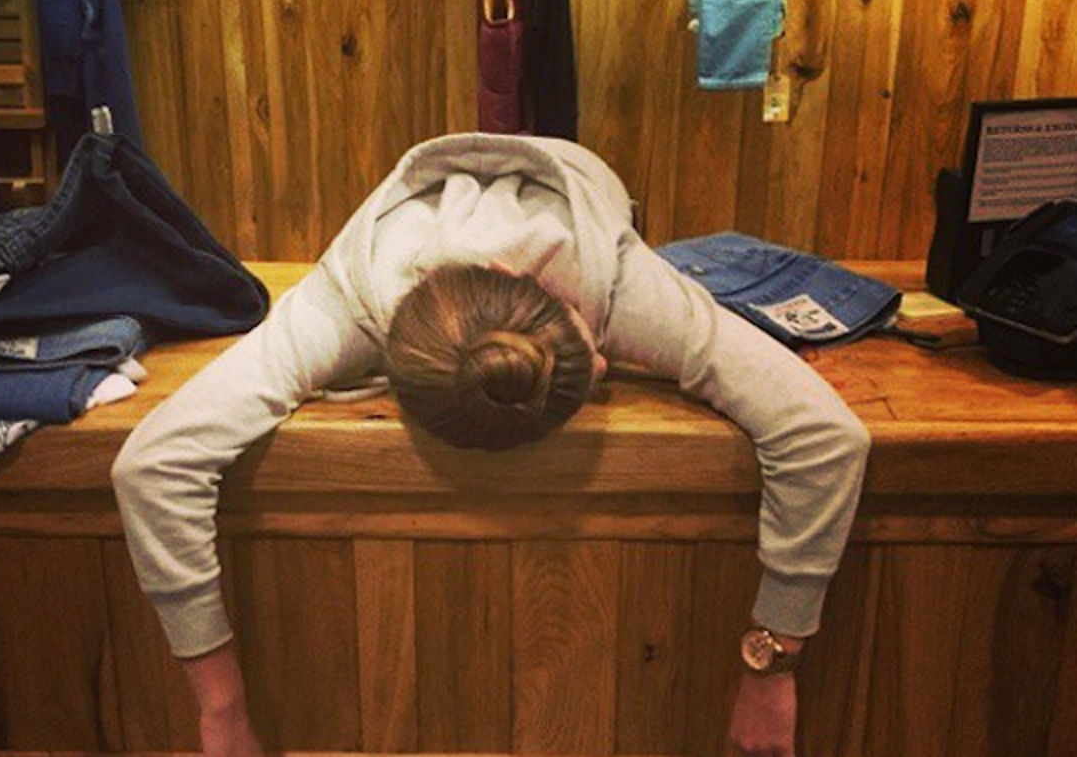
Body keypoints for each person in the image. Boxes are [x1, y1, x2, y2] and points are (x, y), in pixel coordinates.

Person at [111, 133, 870, 757]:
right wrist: (220, 707)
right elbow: (154, 466)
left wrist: (772, 664)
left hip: (580, 180)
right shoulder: (345, 303)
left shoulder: (623, 284)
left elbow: (825, 436)